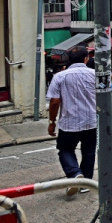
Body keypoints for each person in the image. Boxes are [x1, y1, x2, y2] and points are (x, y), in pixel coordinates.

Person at [46, 45, 96, 198]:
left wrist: (52, 121)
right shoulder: (95, 74)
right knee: (88, 152)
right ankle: (85, 183)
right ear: (86, 58)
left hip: (69, 123)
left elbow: (54, 102)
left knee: (65, 150)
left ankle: (75, 174)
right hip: (91, 121)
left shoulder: (60, 76)